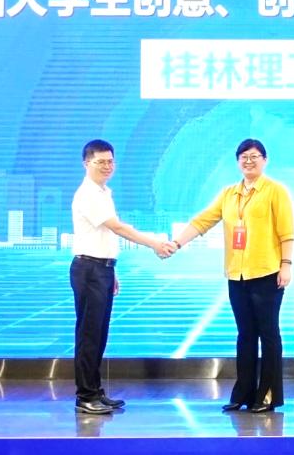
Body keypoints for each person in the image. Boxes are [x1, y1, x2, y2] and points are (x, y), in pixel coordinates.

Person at [171, 139, 294, 413]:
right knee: (245, 335)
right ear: (238, 162)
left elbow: (287, 232)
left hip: (267, 273)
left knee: (268, 334)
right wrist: (176, 243)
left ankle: (267, 396)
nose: (249, 161)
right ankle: (243, 394)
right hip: (236, 275)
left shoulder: (275, 191)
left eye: (254, 156)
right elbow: (203, 221)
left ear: (265, 160)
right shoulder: (229, 193)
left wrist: (286, 264)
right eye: (243, 157)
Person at [71, 139, 174, 414]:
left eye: (110, 161)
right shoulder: (88, 194)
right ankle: (85, 396)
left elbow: (103, 236)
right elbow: (117, 228)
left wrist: (111, 269)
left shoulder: (104, 192)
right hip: (89, 270)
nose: (107, 166)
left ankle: (95, 391)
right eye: (100, 162)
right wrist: (154, 243)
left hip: (101, 269)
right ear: (86, 163)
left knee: (99, 334)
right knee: (89, 336)